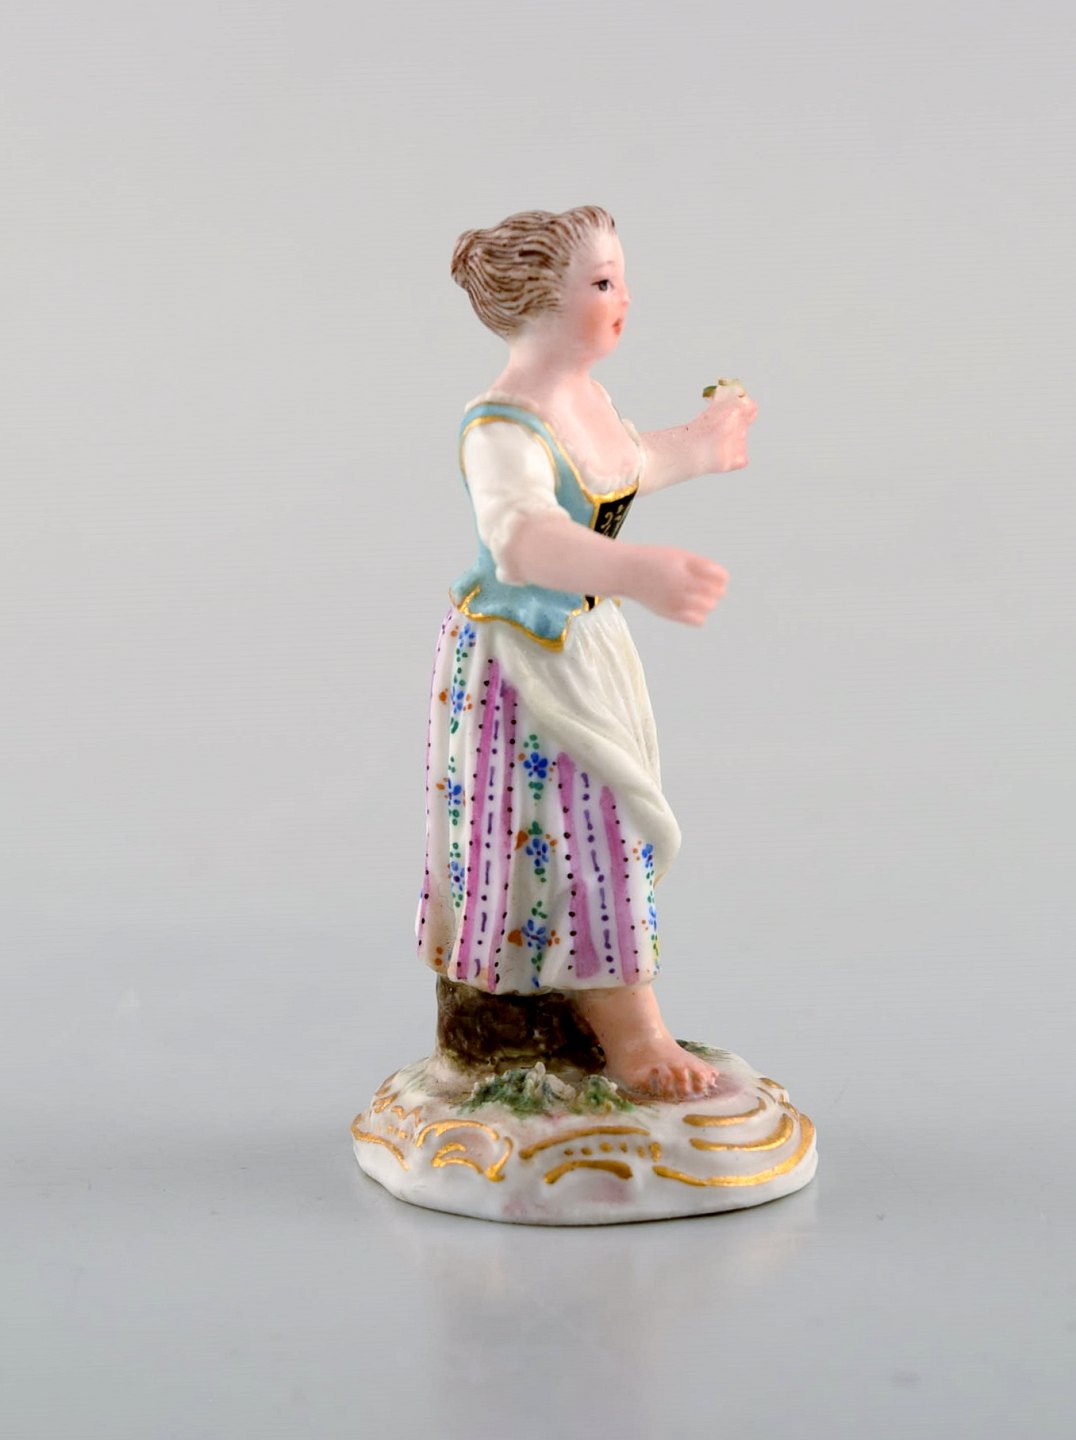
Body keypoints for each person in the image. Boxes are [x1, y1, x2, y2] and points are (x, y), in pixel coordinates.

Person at [416, 206, 757, 1101]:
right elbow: (524, 539)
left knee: (599, 827)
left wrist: (703, 444)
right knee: (583, 830)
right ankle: (631, 1035)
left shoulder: (587, 400)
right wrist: (636, 570)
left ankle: (579, 1015)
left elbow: (626, 465)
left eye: (621, 278)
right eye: (602, 283)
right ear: (538, 301)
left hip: (586, 642)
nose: (624, 298)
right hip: (525, 661)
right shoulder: (501, 428)